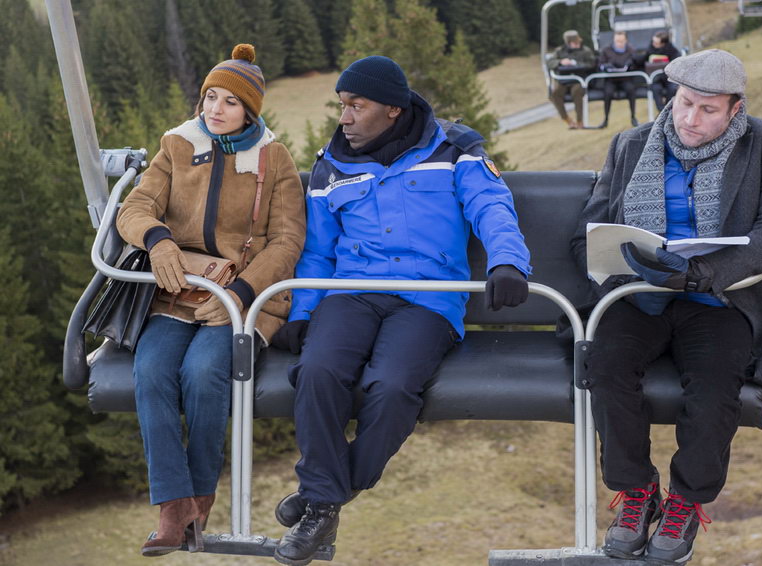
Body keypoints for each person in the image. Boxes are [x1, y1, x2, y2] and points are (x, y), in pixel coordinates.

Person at [270, 55, 532, 566]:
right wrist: (302, 312)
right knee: (318, 371)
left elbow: (491, 206)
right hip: (351, 293)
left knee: (389, 387)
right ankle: (325, 500)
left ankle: (324, 496)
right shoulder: (331, 166)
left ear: (392, 109)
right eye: (342, 105)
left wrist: (507, 262)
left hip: (427, 297)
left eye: (356, 105)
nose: (343, 117)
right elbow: (318, 252)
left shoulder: (454, 150)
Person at [570, 49, 762, 564]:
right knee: (604, 366)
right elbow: (587, 231)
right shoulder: (630, 144)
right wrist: (622, 258)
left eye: (709, 110)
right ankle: (635, 493)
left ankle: (686, 501)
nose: (692, 120)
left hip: (717, 297)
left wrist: (707, 272)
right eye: (685, 104)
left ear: (735, 110)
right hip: (639, 293)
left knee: (717, 381)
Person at [116, 44, 306, 556]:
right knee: (152, 371)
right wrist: (157, 239)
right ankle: (172, 507)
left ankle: (200, 501)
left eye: (229, 102)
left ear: (250, 111)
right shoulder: (177, 146)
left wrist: (241, 293)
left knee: (203, 373)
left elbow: (288, 240)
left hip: (243, 296)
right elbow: (135, 207)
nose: (215, 110)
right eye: (210, 98)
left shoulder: (274, 159)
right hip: (177, 290)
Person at [547, 29, 597, 129]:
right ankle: (566, 118)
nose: (577, 45)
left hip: (578, 79)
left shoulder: (585, 51)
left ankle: (579, 120)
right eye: (575, 43)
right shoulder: (560, 51)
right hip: (563, 79)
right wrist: (560, 62)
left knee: (577, 92)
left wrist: (577, 65)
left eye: (578, 42)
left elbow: (592, 64)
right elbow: (550, 62)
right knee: (555, 94)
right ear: (569, 43)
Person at [598, 31, 639, 128]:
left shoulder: (631, 50)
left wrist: (631, 65)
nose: (619, 43)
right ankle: (606, 119)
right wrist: (606, 66)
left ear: (626, 40)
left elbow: (636, 63)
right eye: (617, 41)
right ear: (614, 40)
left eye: (621, 41)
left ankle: (633, 117)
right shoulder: (606, 50)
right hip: (611, 79)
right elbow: (600, 64)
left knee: (631, 90)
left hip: (625, 79)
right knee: (607, 93)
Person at [641, 31, 681, 111]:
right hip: (656, 79)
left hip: (668, 78)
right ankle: (661, 111)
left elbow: (677, 61)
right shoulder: (650, 49)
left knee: (672, 88)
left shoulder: (672, 50)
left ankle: (668, 109)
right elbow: (643, 60)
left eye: (656, 43)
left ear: (663, 44)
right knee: (656, 89)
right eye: (653, 41)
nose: (653, 44)